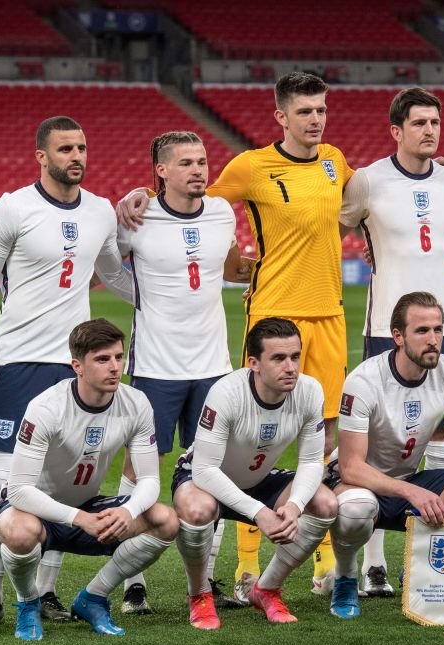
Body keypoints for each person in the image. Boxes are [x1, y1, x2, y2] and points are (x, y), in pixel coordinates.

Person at [117, 72, 349, 599]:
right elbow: (181, 198)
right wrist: (138, 193)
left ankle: (304, 563)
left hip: (321, 318)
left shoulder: (336, 161)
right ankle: (165, 574)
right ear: (282, 116)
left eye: (321, 110)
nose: (315, 119)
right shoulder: (247, 168)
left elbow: (373, 193)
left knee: (295, 445)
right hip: (258, 321)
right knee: (159, 460)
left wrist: (436, 173)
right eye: (305, 111)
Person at [0, 116, 134, 631]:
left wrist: (167, 299)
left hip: (73, 364)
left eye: (81, 147)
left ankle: (48, 592)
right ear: (42, 155)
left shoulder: (101, 211)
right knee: (2, 485)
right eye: (65, 149)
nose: (76, 156)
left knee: (66, 486)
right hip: (17, 364)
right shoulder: (11, 208)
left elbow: (110, 272)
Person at [338, 87, 444, 597]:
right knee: (382, 445)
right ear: (396, 131)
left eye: (435, 123)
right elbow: (331, 225)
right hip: (387, 328)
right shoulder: (367, 181)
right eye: (419, 123)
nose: (430, 131)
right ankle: (374, 563)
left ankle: (429, 559)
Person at [113, 131, 251, 614]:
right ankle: (134, 582)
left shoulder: (220, 212)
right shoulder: (137, 215)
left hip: (214, 367)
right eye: (186, 163)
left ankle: (206, 581)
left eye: (202, 160)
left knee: (210, 472)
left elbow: (232, 268)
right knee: (139, 470)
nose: (198, 169)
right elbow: (109, 267)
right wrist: (143, 301)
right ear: (161, 172)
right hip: (155, 367)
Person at [0, 319, 177, 640]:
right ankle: (28, 604)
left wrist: (128, 511)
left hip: (88, 506)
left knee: (165, 519)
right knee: (18, 532)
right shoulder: (46, 408)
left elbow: (149, 479)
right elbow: (19, 491)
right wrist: (79, 519)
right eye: (103, 359)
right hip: (36, 510)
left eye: (119, 357)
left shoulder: (136, 403)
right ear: (77, 365)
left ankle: (93, 597)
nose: (115, 367)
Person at [326, 291, 444, 619]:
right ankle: (346, 577)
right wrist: (412, 491)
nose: (433, 339)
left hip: (408, 479)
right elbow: (351, 467)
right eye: (422, 331)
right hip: (363, 486)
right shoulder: (363, 381)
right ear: (398, 336)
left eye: (438, 330)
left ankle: (420, 569)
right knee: (355, 510)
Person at [172, 318, 337, 628]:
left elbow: (313, 461)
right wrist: (259, 512)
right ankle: (200, 595)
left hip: (258, 477)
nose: (290, 367)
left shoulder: (310, 391)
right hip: (203, 479)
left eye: (295, 357)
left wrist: (294, 505)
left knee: (325, 504)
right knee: (197, 510)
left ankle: (267, 589)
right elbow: (204, 470)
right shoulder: (227, 393)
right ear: (254, 363)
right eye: (278, 358)